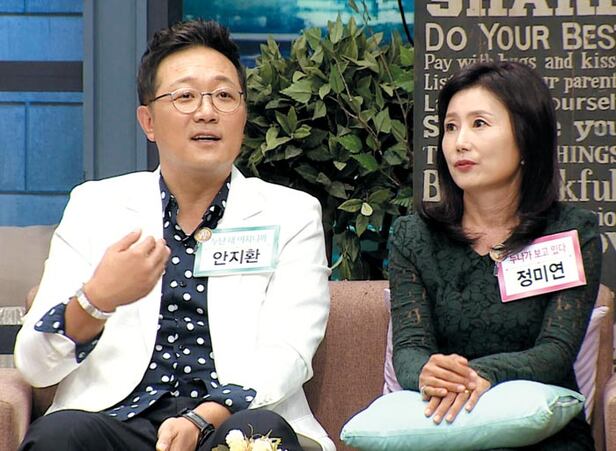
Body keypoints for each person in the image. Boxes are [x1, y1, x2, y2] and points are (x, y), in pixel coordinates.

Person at [15, 19, 335, 451]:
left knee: (258, 431)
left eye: (224, 95)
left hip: (232, 416)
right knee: (58, 435)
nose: (207, 111)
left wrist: (204, 416)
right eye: (185, 96)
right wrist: (97, 299)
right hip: (118, 419)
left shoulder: (290, 213)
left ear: (243, 115)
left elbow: (289, 348)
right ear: (148, 121)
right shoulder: (96, 207)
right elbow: (35, 365)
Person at [388, 61, 601, 449]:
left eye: (479, 124)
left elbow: (556, 351)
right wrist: (426, 372)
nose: (459, 142)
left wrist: (482, 373)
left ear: (526, 136)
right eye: (450, 127)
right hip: (445, 426)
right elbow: (409, 348)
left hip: (544, 434)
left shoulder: (571, 230)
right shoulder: (413, 235)